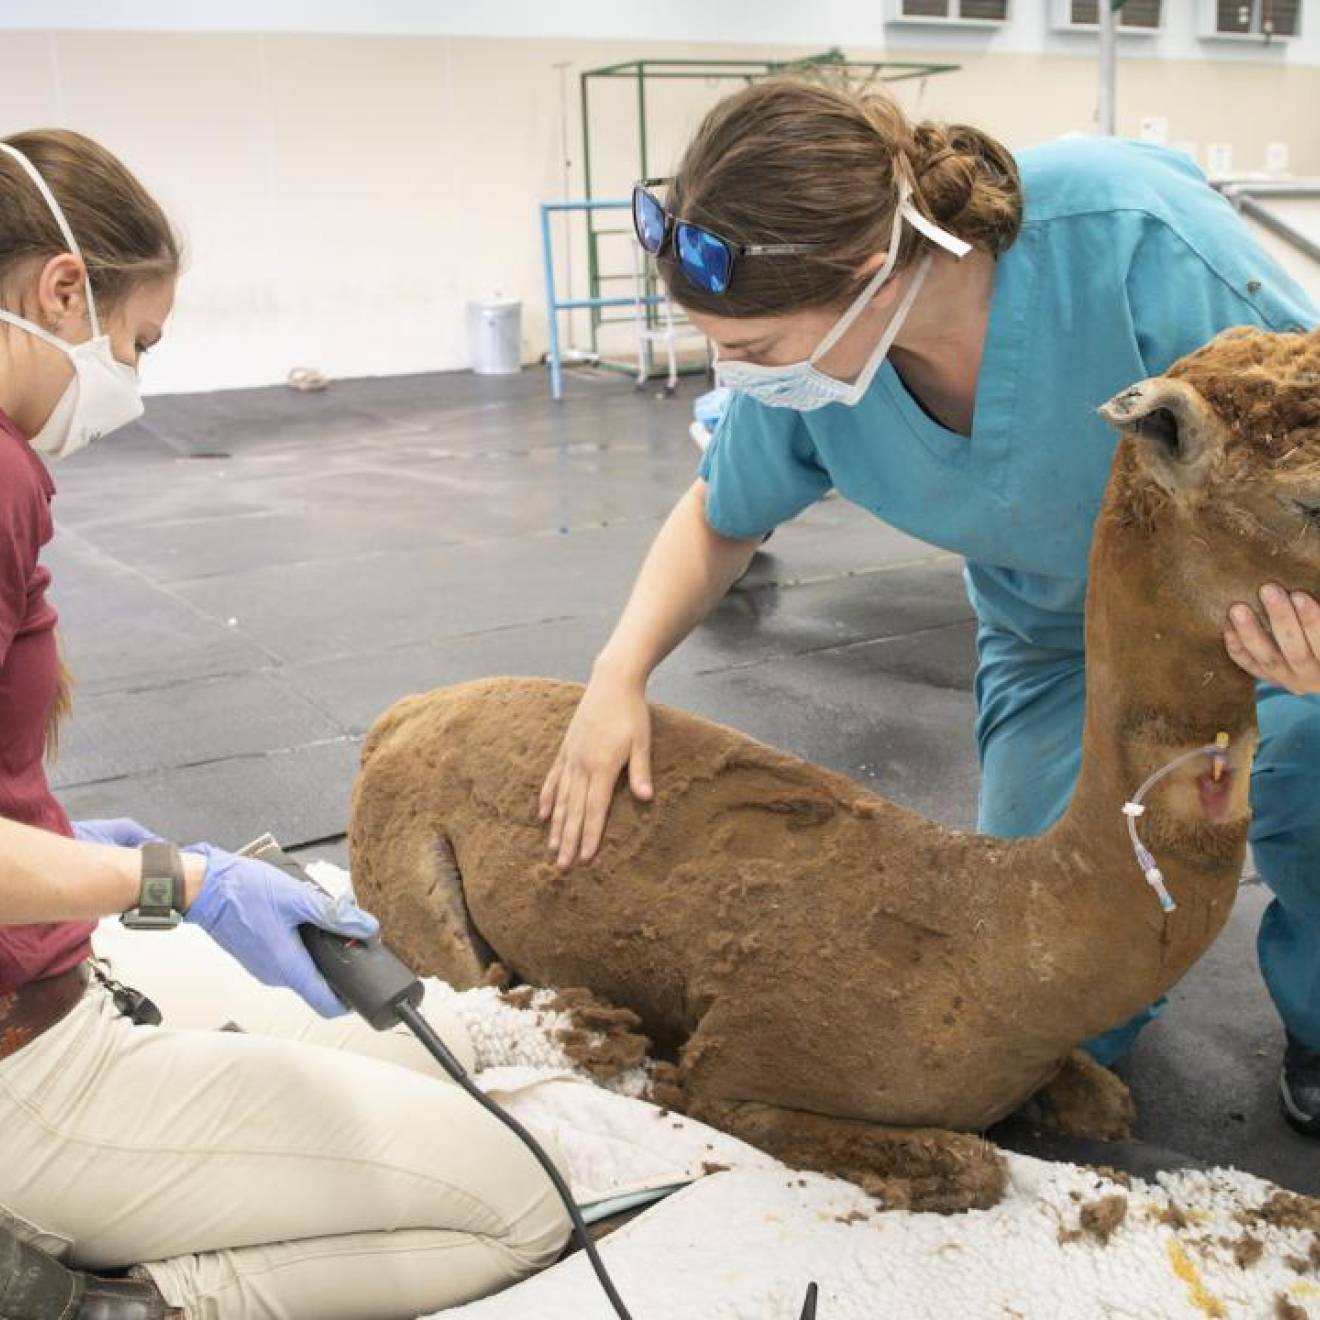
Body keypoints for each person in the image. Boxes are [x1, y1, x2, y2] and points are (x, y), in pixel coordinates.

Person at [539, 81, 1320, 1136]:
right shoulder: (813, 373)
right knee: (1049, 967)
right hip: (1055, 640)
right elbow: (721, 515)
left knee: (1307, 788)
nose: (734, 376)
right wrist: (617, 676)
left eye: (755, 349)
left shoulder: (1129, 238)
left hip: (1257, 625)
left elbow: (1304, 427)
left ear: (870, 278)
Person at [0, 129, 569, 1320]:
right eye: (136, 342)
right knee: (521, 1205)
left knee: (435, 1057)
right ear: (63, 288)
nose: (136, 381)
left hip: (44, 981)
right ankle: (118, 1306)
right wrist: (170, 881)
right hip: (22, 1069)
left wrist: (61, 831)